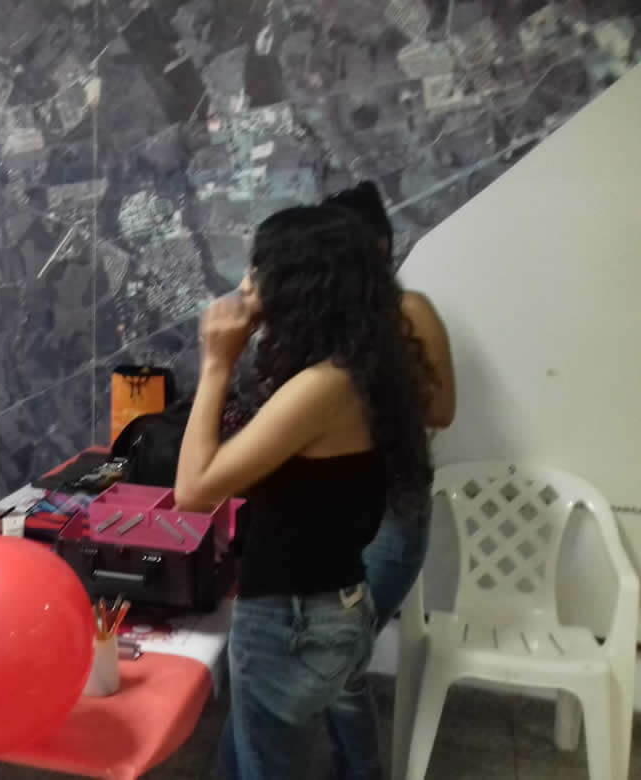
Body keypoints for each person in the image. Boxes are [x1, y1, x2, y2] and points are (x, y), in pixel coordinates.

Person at [174, 204, 434, 779]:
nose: (246, 285)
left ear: (300, 285)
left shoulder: (322, 387)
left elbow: (192, 490)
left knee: (264, 765)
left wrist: (215, 363)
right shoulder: (361, 367)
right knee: (251, 758)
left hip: (291, 619)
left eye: (259, 269)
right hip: (328, 605)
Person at [321, 182, 456, 780]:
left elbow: (443, 409)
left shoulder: (411, 312)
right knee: (329, 655)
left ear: (379, 247)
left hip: (391, 517)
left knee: (337, 655)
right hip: (328, 510)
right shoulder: (322, 318)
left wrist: (375, 387)